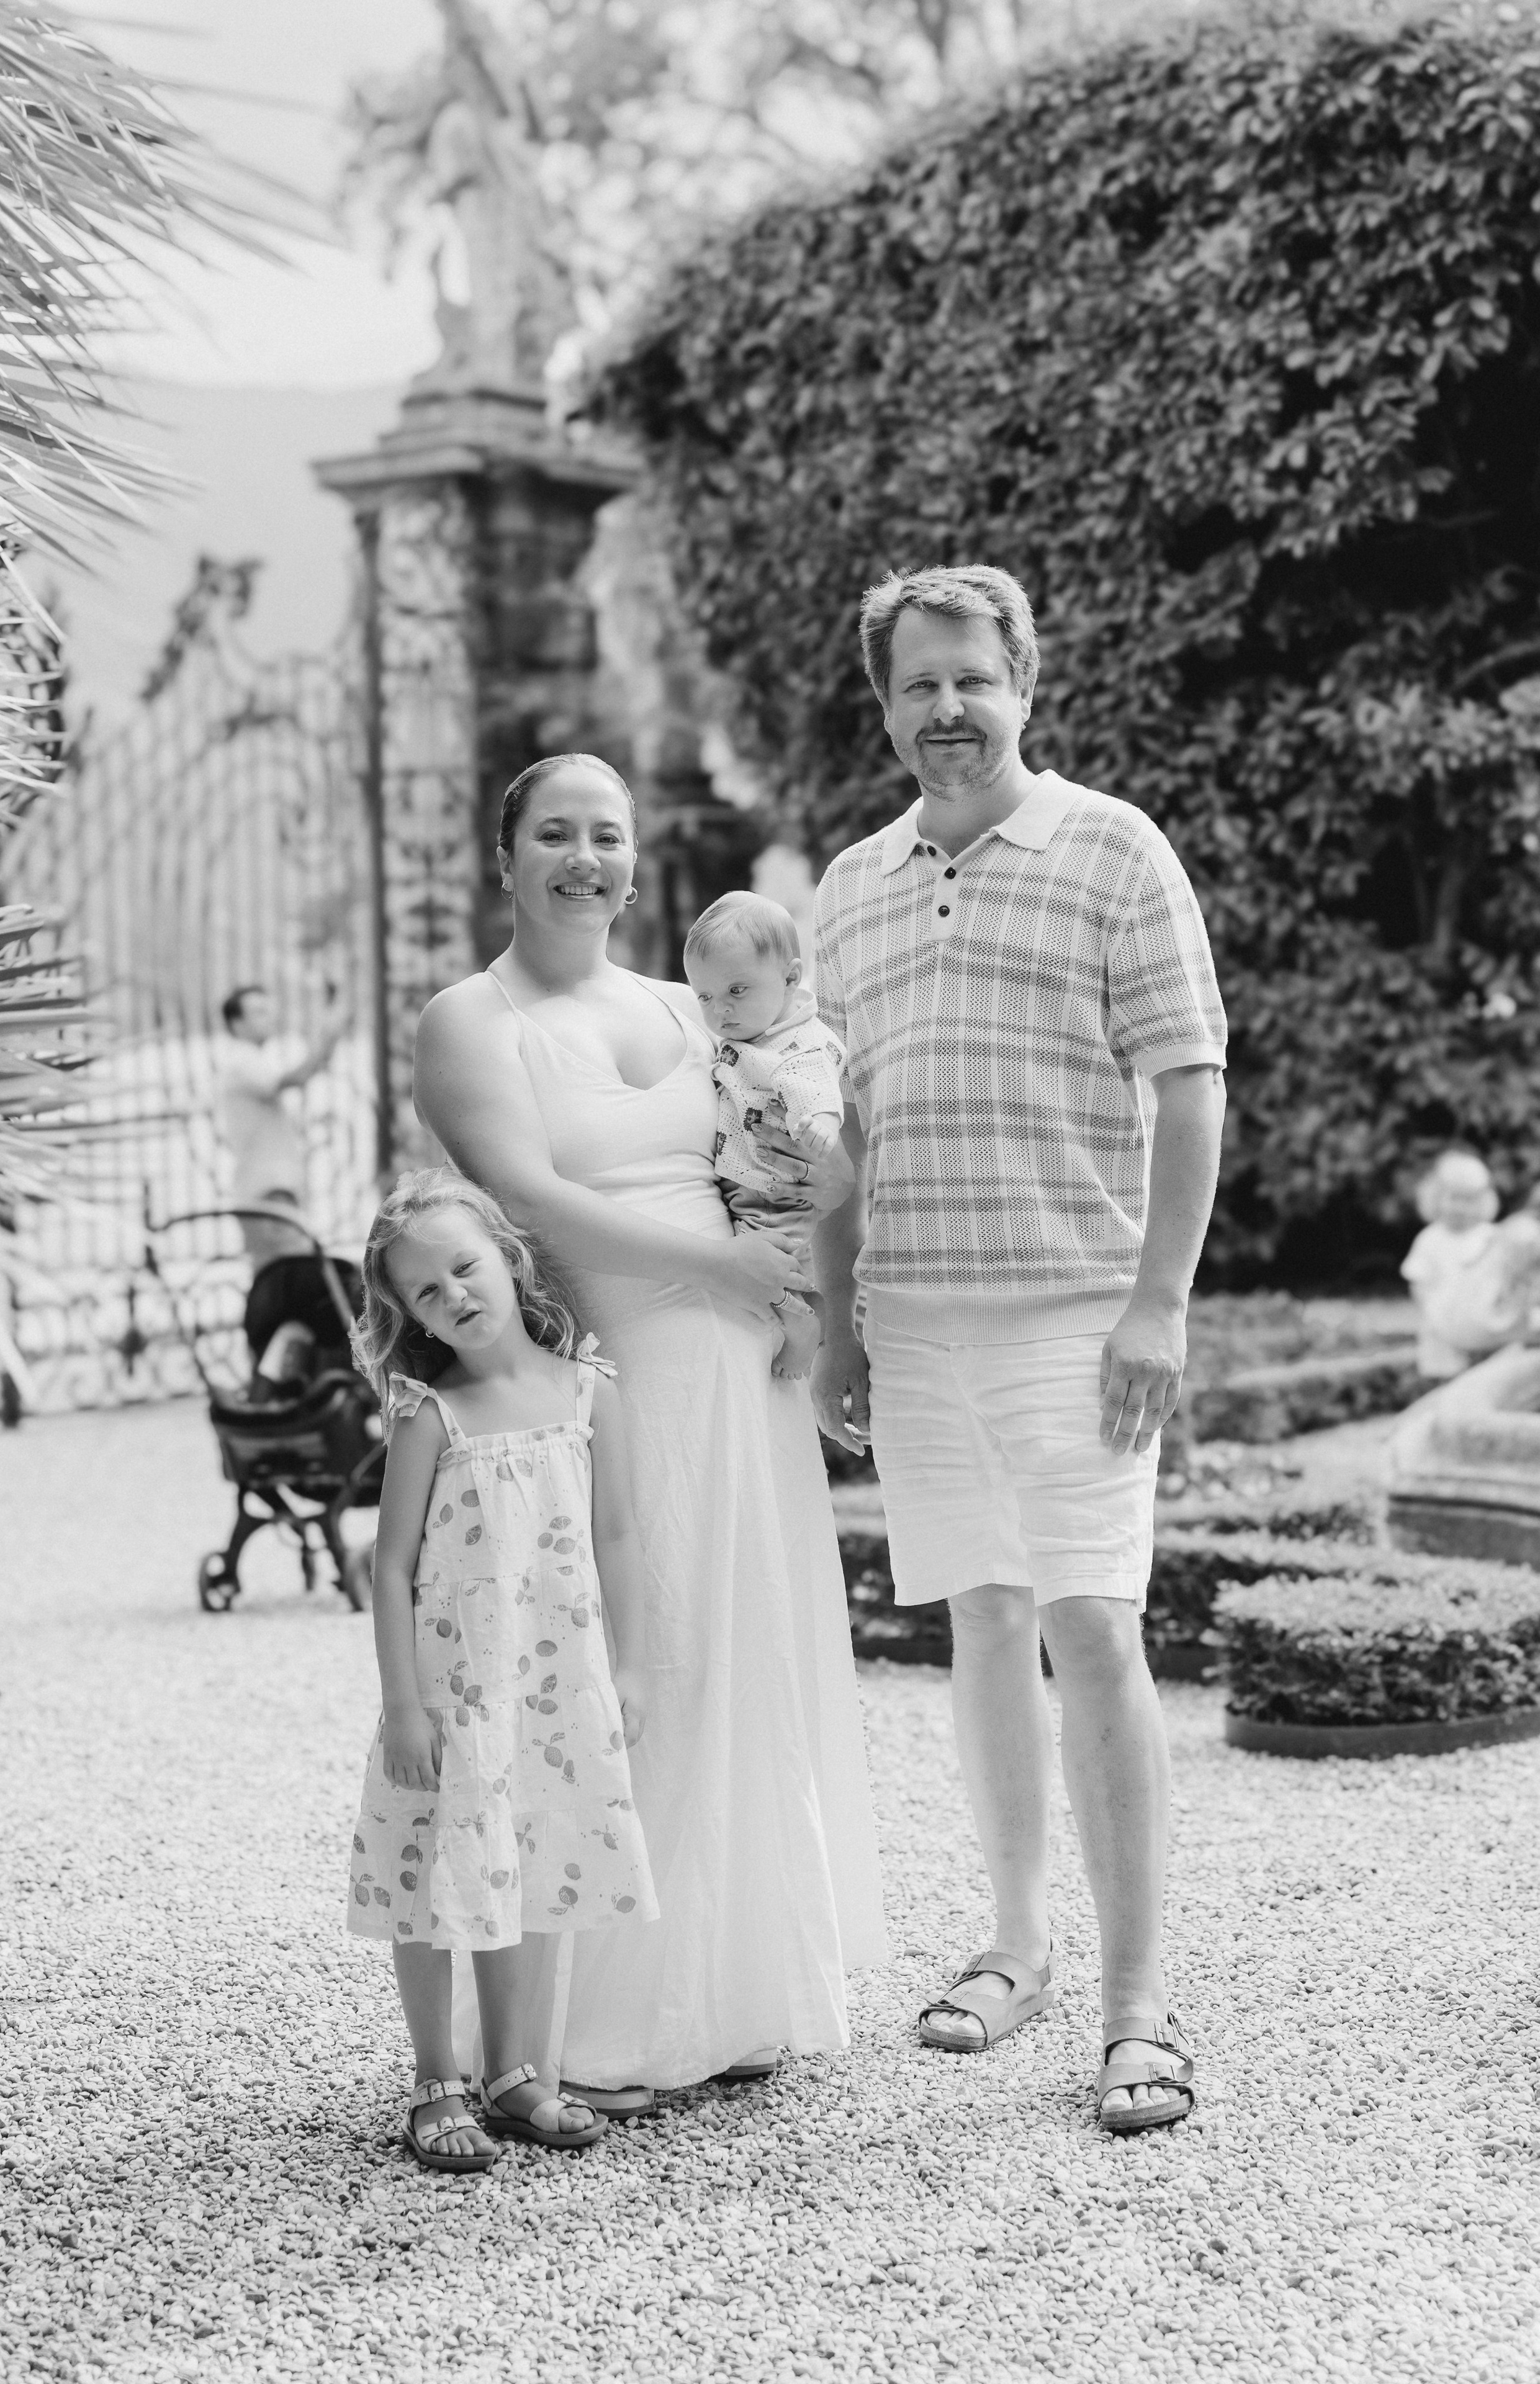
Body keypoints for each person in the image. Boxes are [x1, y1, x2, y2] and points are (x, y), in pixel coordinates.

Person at [811, 564, 1226, 2136]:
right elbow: (842, 1128)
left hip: (1074, 1312)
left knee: (1092, 1629)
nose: (943, 710)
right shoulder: (849, 886)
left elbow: (1184, 1083)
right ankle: (1016, 1944)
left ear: (1023, 680)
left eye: (968, 679)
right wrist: (842, 1314)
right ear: (885, 703)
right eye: (914, 685)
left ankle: (1137, 2006)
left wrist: (1156, 1301)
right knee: (980, 1625)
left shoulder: (1114, 848)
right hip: (912, 1315)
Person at [412, 752, 888, 2109]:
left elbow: (792, 1148)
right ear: (504, 856)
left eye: (607, 836)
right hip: (607, 1366)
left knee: (745, 1651)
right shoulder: (471, 1019)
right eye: (555, 834)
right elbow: (525, 1197)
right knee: (637, 1658)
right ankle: (603, 2022)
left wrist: (802, 1289)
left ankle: (738, 1992)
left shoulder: (699, 1004)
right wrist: (720, 1275)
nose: (585, 860)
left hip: (744, 1367)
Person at [346, 1167, 657, 2172]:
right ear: (407, 1314)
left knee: (542, 1873)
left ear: (508, 1257)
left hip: (558, 1694)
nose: (456, 1298)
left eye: (464, 1269)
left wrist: (634, 1668)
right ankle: (439, 2079)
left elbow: (619, 1537)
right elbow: (389, 1570)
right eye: (427, 1293)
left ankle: (520, 2071)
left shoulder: (589, 1395)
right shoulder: (431, 1414)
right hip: (453, 1697)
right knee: (440, 1884)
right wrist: (404, 1705)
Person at [683, 888, 845, 1381]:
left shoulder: (797, 1041)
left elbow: (815, 1084)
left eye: (737, 991)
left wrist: (821, 1122)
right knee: (759, 1255)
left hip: (776, 1189)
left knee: (771, 1258)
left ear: (791, 978)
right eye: (706, 997)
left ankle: (803, 1323)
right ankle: (795, 1312)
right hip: (745, 1180)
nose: (721, 1011)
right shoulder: (747, 1034)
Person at [215, 985, 341, 1266]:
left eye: (269, 1010)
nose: (269, 1018)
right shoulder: (242, 1059)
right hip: (268, 1190)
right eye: (259, 1012)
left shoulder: (253, 1061)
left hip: (268, 1188)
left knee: (277, 1278)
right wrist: (329, 1036)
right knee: (292, 1272)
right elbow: (296, 1078)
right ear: (237, 1024)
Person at [1400, 1149, 1531, 1377]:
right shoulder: (1431, 1239)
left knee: (1489, 1374)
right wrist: (1433, 1313)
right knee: (1449, 1379)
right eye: (1454, 1198)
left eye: (1469, 1200)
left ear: (1484, 1201)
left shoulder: (1489, 1236)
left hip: (1484, 1320)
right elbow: (1418, 1282)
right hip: (1444, 1322)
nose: (1460, 1208)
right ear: (1436, 1198)